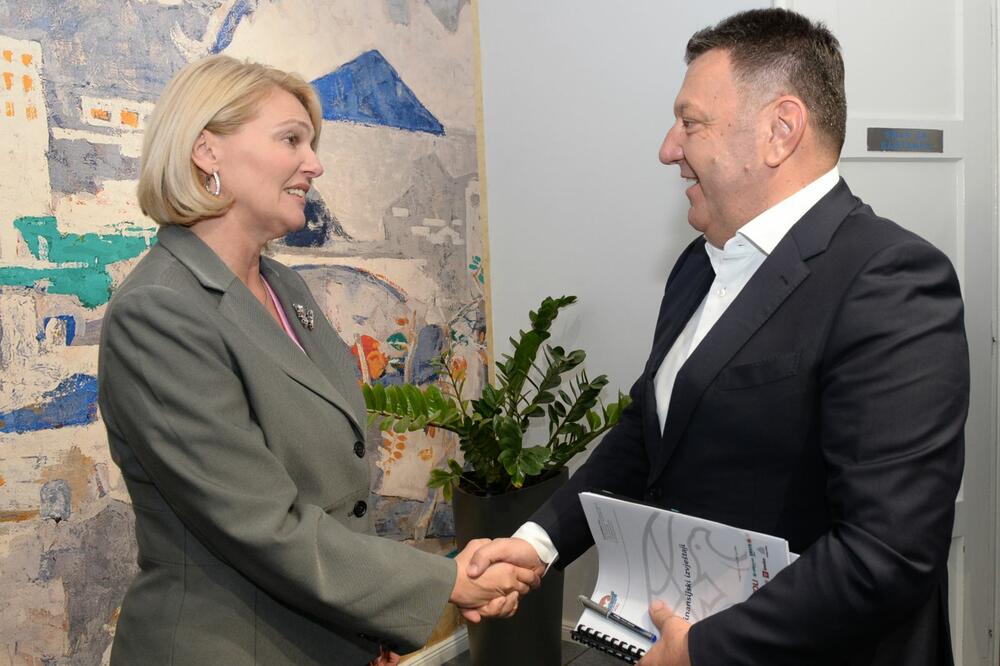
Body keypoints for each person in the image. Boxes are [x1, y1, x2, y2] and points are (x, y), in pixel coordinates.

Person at [465, 9, 969, 666]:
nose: (668, 148)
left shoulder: (891, 280)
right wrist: (538, 543)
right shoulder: (697, 266)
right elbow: (649, 435)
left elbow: (887, 553)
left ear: (780, 130)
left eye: (691, 122)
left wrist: (704, 649)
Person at [98, 55, 538, 666]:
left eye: (312, 143)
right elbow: (260, 523)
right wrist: (446, 581)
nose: (314, 164)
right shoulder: (159, 312)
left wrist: (364, 626)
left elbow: (330, 487)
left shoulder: (285, 289)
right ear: (206, 151)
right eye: (291, 140)